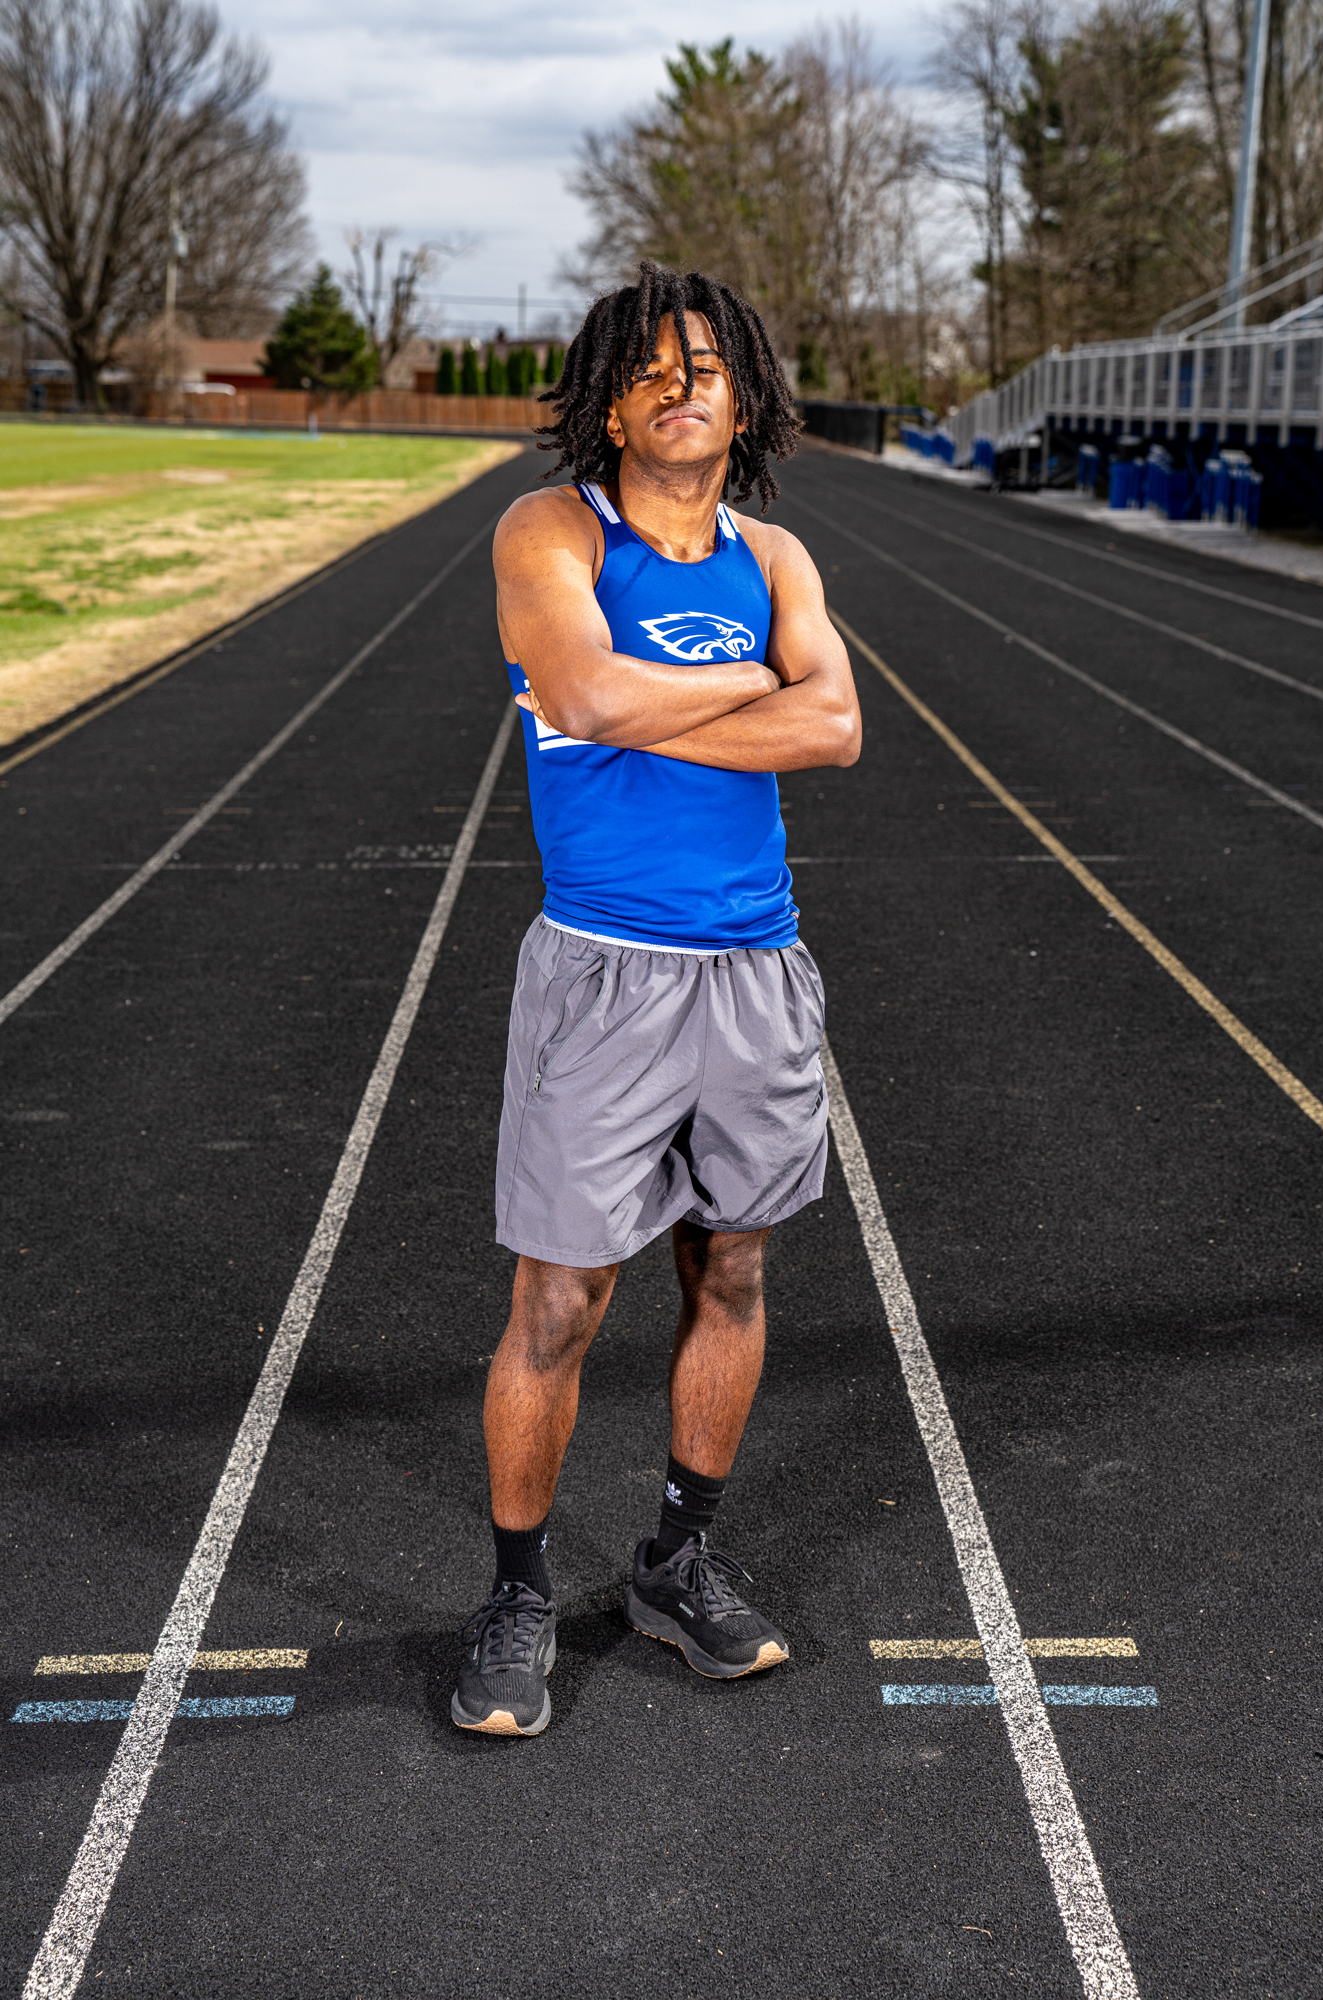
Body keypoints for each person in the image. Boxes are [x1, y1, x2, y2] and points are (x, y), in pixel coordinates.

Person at [451, 261, 861, 1737]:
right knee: (559, 1299)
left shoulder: (777, 556)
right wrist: (754, 690)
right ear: (609, 404)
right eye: (652, 370)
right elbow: (584, 698)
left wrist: (655, 698)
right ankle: (514, 1595)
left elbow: (838, 725)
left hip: (757, 969)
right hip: (604, 971)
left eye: (708, 368)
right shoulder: (551, 528)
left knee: (732, 1274)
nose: (682, 388)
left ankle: (678, 1563)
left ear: (746, 398)